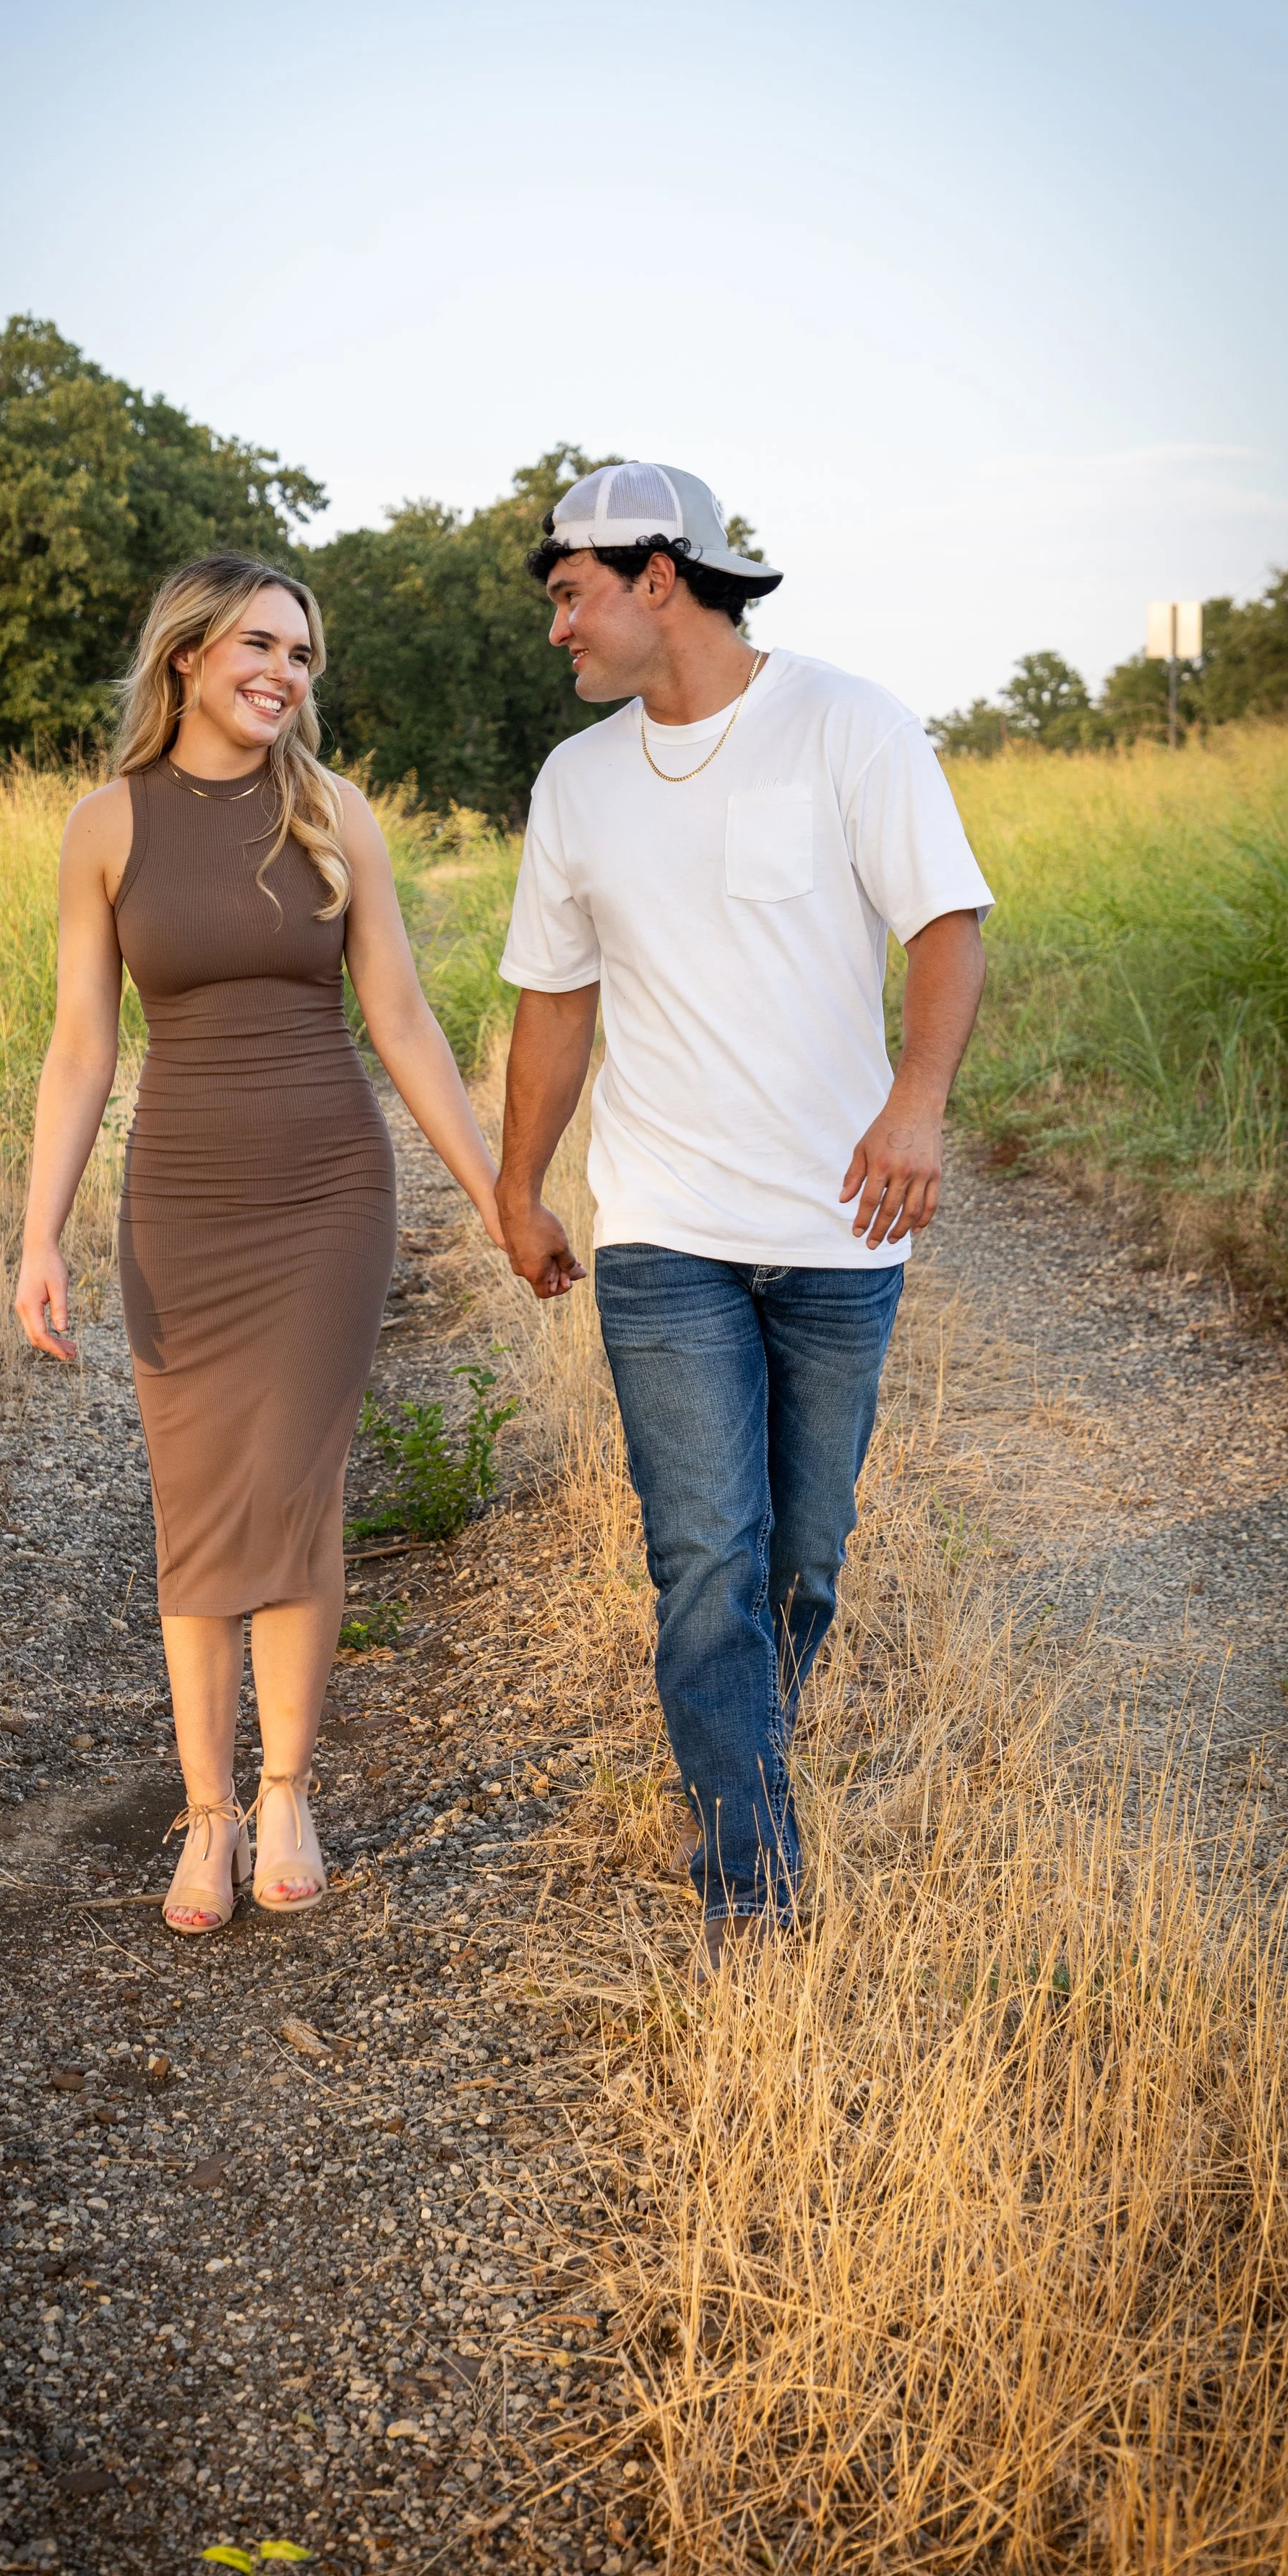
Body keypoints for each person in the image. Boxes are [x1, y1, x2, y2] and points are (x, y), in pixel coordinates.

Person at [494, 463, 992, 1969]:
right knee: (704, 1556)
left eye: (570, 595)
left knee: (799, 1564)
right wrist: (517, 1189)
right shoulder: (574, 785)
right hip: (666, 1234)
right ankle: (751, 1891)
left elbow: (945, 926)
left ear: (659, 576)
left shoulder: (847, 724)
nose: (557, 629)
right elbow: (550, 1005)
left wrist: (916, 1099)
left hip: (842, 1226)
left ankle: (740, 1768)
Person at [14, 552, 503, 1935]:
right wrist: (38, 1230)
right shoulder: (105, 825)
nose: (287, 673)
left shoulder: (335, 813)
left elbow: (402, 1022)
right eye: (263, 646)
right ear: (186, 656)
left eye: (303, 655)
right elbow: (80, 1045)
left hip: (325, 1193)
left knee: (291, 1483)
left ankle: (285, 1791)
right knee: (196, 1496)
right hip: (180, 1201)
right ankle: (208, 1811)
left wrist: (491, 1193)